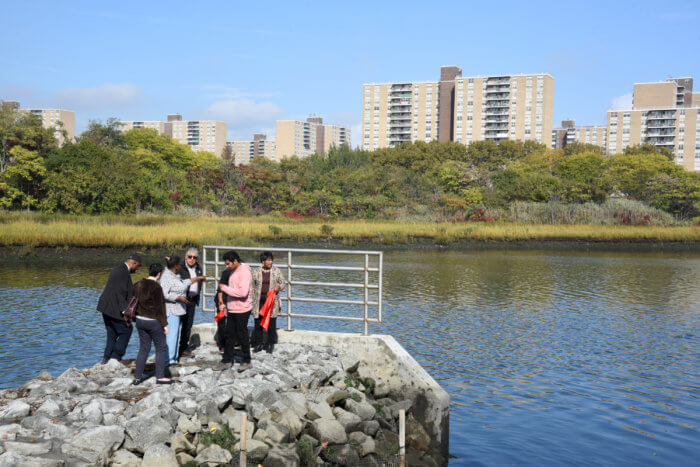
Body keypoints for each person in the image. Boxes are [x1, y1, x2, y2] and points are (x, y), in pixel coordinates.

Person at [160, 256, 206, 366]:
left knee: (175, 335)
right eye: (180, 265)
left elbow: (183, 283)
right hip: (171, 310)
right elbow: (164, 293)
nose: (182, 266)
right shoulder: (166, 277)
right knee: (171, 336)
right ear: (176, 266)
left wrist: (198, 278)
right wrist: (178, 298)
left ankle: (173, 358)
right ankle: (168, 361)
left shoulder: (175, 275)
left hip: (179, 310)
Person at [97, 253, 142, 364]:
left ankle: (106, 358)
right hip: (114, 308)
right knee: (126, 330)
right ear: (134, 263)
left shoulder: (119, 269)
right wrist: (125, 313)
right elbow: (120, 293)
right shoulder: (123, 272)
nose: (137, 269)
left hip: (106, 307)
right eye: (138, 266)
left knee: (112, 332)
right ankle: (115, 357)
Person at [132, 263, 172, 385]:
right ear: (159, 274)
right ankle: (159, 377)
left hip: (139, 320)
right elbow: (160, 308)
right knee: (161, 347)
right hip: (153, 322)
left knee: (143, 348)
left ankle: (137, 378)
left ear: (149, 271)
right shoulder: (156, 288)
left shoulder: (138, 284)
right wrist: (164, 324)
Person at [213, 251, 253, 372]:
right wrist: (225, 306)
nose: (227, 266)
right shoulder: (231, 271)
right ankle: (226, 360)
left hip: (242, 308)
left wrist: (224, 288)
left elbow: (242, 293)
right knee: (229, 334)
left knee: (242, 334)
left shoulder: (245, 272)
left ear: (235, 261)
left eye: (228, 263)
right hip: (232, 308)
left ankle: (247, 360)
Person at [251, 251, 285, 354]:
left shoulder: (276, 271)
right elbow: (251, 286)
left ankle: (270, 344)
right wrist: (252, 299)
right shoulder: (255, 271)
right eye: (268, 260)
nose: (271, 262)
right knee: (258, 323)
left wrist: (278, 287)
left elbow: (282, 282)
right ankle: (258, 344)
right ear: (263, 261)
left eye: (271, 260)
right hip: (259, 302)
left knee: (271, 323)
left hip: (272, 302)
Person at [178, 247, 203, 358]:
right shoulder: (179, 267)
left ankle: (183, 348)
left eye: (195, 257)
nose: (192, 259)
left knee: (188, 326)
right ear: (185, 257)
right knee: (175, 324)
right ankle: (172, 348)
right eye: (190, 257)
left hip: (192, 300)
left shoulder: (198, 267)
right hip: (180, 301)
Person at [214, 266, 234, 352]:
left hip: (233, 301)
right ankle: (222, 344)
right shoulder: (227, 273)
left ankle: (231, 342)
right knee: (221, 322)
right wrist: (221, 303)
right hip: (223, 299)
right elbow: (220, 290)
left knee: (232, 322)